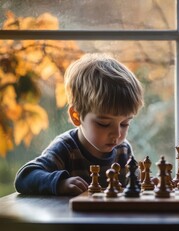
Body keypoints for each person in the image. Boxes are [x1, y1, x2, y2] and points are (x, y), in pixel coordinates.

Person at [14, 53, 144, 195]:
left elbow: (136, 182)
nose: (117, 134)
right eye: (104, 124)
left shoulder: (123, 150)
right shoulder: (66, 148)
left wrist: (145, 182)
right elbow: (24, 177)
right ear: (76, 116)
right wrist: (59, 183)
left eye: (125, 124)